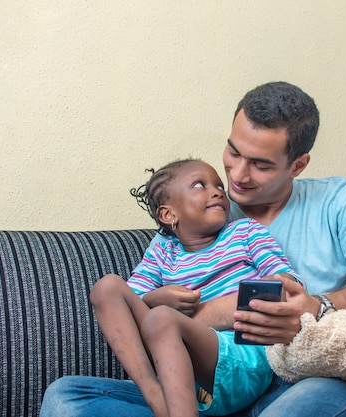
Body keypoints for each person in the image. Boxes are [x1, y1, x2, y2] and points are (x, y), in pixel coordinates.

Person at [40, 81, 346, 417]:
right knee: (67, 399)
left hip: (292, 378)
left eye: (261, 164)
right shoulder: (193, 219)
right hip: (195, 383)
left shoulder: (339, 200)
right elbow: (141, 302)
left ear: (297, 165)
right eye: (233, 152)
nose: (236, 176)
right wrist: (164, 307)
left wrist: (316, 305)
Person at [89, 158, 302, 417]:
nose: (217, 191)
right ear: (169, 214)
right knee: (107, 288)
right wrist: (157, 298)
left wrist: (255, 294)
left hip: (243, 359)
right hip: (178, 374)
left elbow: (288, 284)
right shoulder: (163, 252)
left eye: (219, 186)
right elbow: (129, 301)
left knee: (162, 319)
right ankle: (155, 396)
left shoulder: (245, 232)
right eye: (199, 185)